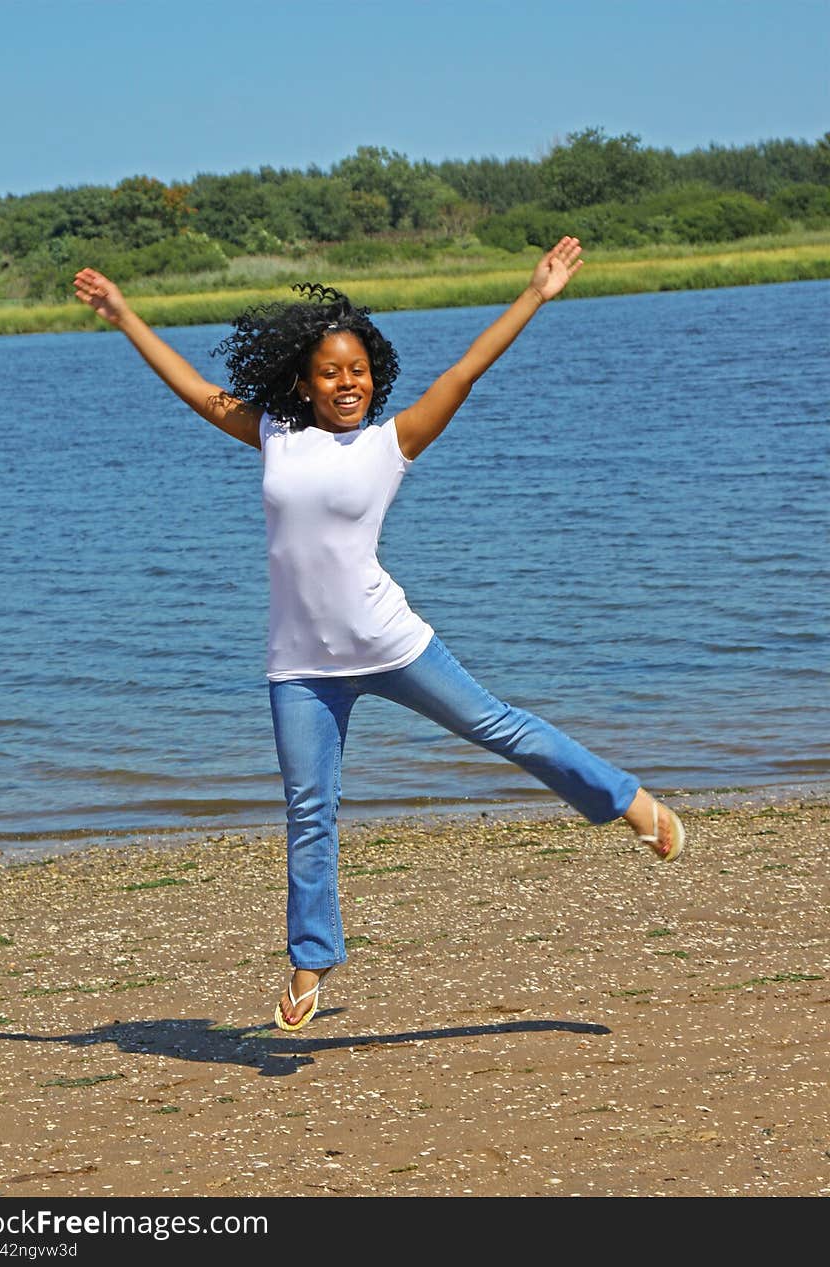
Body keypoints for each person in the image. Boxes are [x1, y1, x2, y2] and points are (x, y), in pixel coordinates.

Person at [73, 236, 684, 1033]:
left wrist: (535, 295)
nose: (346, 383)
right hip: (298, 666)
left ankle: (628, 799)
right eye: (330, 372)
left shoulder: (391, 443)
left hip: (392, 644)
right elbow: (193, 388)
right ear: (305, 380)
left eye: (357, 370)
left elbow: (465, 370)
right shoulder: (274, 437)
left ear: (374, 374)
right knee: (309, 809)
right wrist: (124, 315)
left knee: (499, 726)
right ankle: (309, 962)